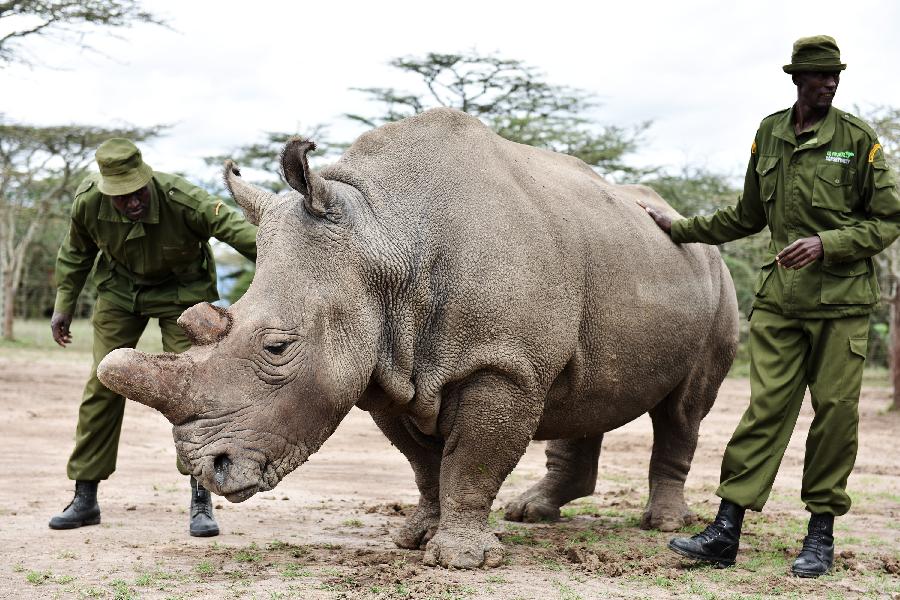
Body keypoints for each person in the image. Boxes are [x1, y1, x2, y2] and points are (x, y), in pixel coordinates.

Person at [640, 35, 900, 577]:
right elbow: (747, 214)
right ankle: (726, 530)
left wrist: (829, 243)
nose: (829, 83)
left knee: (833, 417)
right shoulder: (770, 133)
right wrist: (682, 227)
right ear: (797, 79)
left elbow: (889, 219)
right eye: (820, 75)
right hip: (781, 302)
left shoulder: (858, 139)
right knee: (764, 413)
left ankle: (820, 536)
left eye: (836, 76)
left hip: (842, 306)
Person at [48, 138, 257, 537]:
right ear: (107, 191)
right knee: (102, 383)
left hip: (181, 294)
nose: (132, 202)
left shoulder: (184, 199)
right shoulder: (89, 203)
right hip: (119, 293)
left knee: (192, 388)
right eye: (121, 197)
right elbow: (75, 253)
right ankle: (84, 495)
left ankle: (201, 497)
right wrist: (64, 303)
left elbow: (237, 231)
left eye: (137, 192)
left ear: (147, 178)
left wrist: (289, 261)